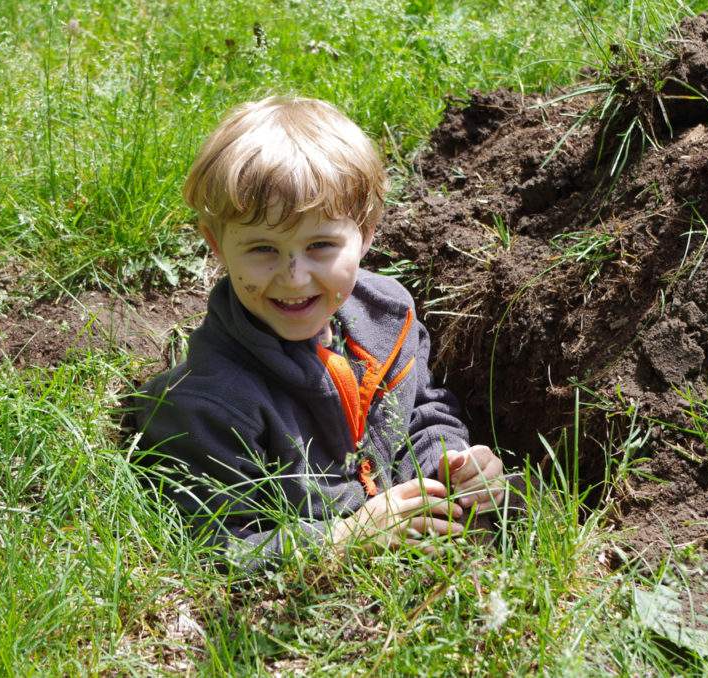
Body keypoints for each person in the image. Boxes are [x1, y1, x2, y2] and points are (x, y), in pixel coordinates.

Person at [134, 95, 505, 573]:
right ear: (217, 244)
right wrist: (345, 537)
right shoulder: (212, 402)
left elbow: (424, 409)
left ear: (366, 232)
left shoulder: (388, 317)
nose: (294, 276)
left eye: (321, 246)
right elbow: (213, 546)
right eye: (264, 248)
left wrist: (451, 462)